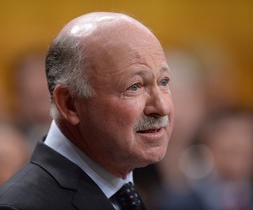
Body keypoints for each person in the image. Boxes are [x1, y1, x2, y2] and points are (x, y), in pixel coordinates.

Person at [0, 12, 174, 210]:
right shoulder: (20, 206)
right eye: (134, 87)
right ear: (70, 104)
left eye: (163, 82)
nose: (162, 107)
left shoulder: (126, 192)